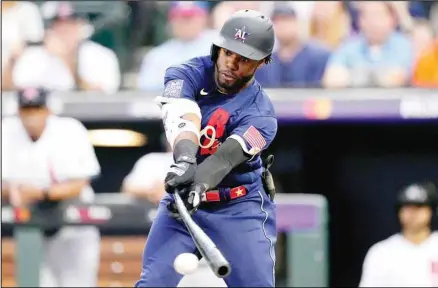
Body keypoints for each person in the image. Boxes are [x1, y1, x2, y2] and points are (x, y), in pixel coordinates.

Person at [135, 9, 278, 287]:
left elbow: (225, 159)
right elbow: (183, 116)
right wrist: (186, 160)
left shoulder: (262, 115)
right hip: (183, 205)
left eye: (244, 59)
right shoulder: (184, 73)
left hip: (238, 205)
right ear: (218, 49)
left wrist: (198, 183)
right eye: (228, 53)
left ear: (261, 63)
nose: (232, 64)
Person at [1, 87, 102, 287]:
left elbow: (81, 181)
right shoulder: (8, 130)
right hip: (32, 224)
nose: (32, 116)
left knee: (77, 284)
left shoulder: (69, 129)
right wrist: (11, 190)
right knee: (38, 283)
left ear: (48, 110)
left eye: (37, 109)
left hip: (72, 222)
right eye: (27, 110)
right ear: (19, 112)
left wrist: (42, 192)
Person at [122, 138, 226, 287]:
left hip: (209, 249)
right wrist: (157, 190)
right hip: (167, 244)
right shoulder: (153, 160)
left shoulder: (213, 163)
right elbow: (129, 186)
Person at [13, 1, 120, 93]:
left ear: (82, 25)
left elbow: (102, 98)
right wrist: (12, 60)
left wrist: (66, 59)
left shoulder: (101, 55)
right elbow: (20, 93)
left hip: (88, 115)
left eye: (71, 23)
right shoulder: (34, 55)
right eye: (58, 24)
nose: (64, 30)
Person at [359, 182, 438, 287]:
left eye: (419, 206)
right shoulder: (381, 252)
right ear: (399, 212)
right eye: (408, 207)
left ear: (431, 211)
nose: (413, 213)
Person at [323, 2, 413, 88]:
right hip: (354, 101)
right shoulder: (348, 47)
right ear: (360, 21)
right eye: (368, 16)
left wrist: (353, 77)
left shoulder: (403, 46)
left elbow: (396, 79)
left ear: (391, 19)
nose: (373, 22)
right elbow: (332, 78)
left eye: (379, 15)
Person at [138, 1, 217, 91]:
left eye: (189, 17)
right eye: (178, 17)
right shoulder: (157, 56)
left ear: (204, 17)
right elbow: (146, 93)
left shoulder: (222, 45)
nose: (184, 23)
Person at [255, 4, 331, 88]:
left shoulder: (319, 57)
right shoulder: (264, 65)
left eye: (286, 20)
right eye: (277, 21)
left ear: (297, 23)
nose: (282, 26)